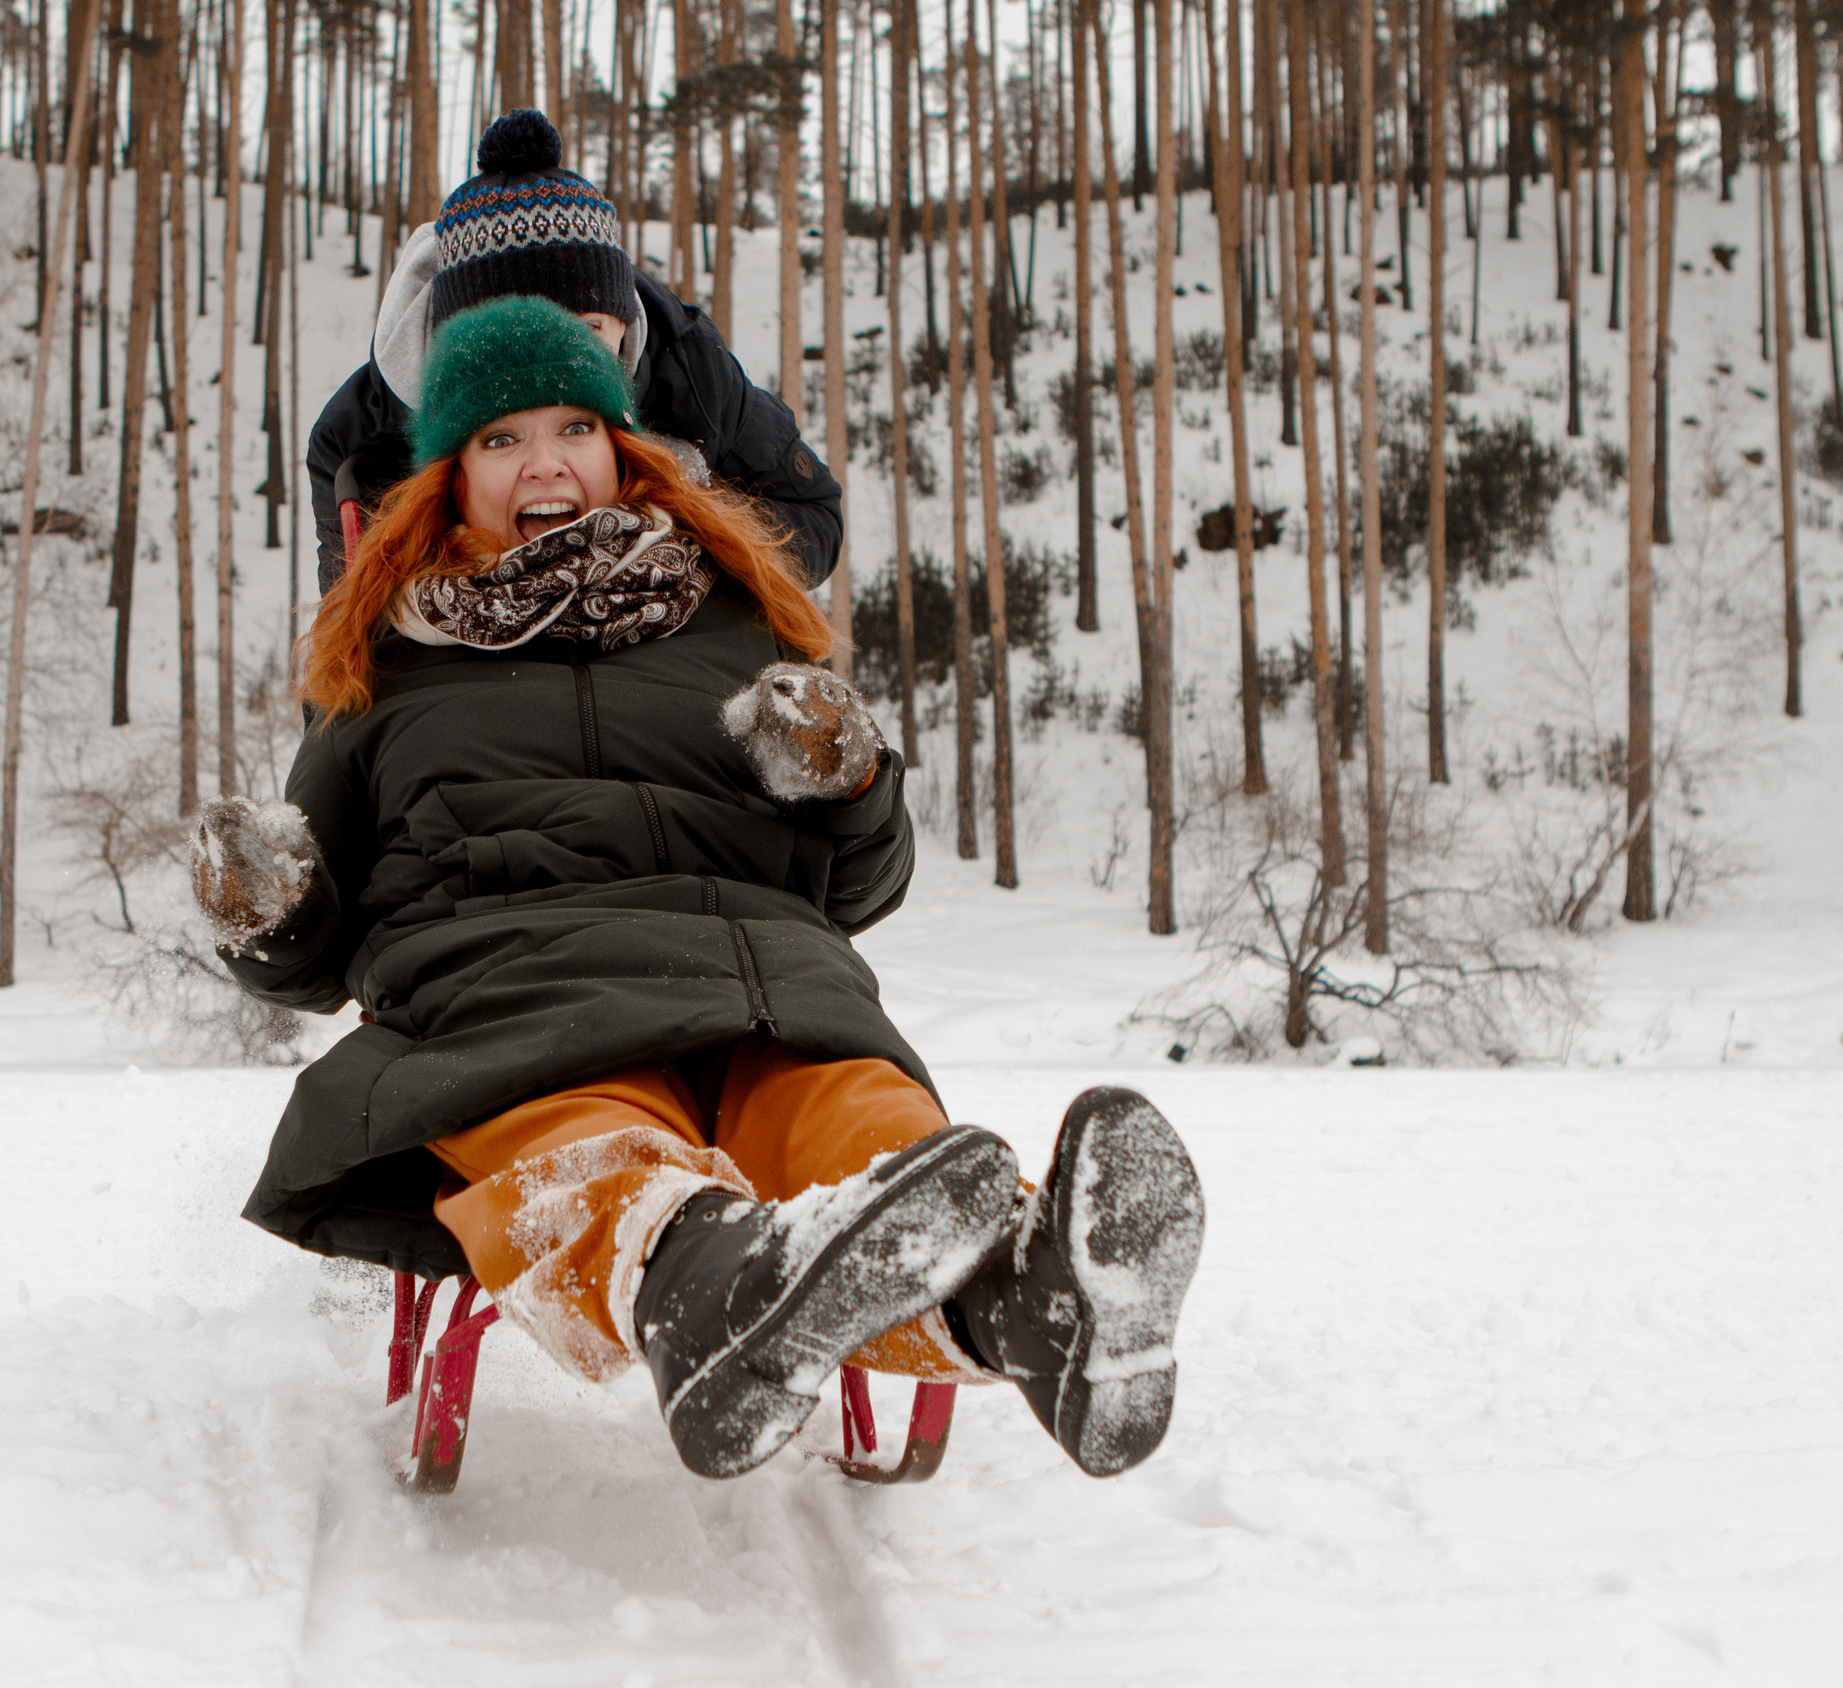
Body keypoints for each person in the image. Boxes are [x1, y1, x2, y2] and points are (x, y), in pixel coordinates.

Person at [197, 295, 1204, 1480]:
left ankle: (1019, 1298)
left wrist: (846, 780)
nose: (545, 461)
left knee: (857, 1123)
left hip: (755, 973)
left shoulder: (733, 617)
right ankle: (703, 1286)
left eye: (574, 425)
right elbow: (316, 958)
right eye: (500, 438)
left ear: (619, 445)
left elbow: (860, 881)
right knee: (586, 1140)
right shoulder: (383, 664)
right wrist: (270, 904)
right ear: (447, 477)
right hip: (507, 993)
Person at [306, 108, 843, 597]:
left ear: (623, 320)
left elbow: (812, 514)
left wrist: (675, 555)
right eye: (515, 335)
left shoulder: (687, 369)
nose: (557, 356)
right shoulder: (364, 431)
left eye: (586, 328)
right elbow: (346, 644)